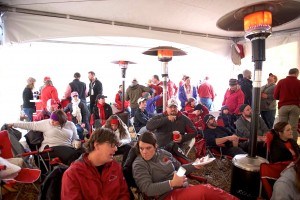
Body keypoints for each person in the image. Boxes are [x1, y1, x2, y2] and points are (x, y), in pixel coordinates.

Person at [132, 131, 238, 200]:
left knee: (210, 194)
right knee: (206, 191)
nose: (144, 152)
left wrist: (194, 165)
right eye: (141, 148)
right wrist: (172, 183)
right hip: (164, 196)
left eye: (148, 148)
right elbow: (147, 189)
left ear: (155, 146)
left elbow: (180, 169)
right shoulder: (139, 164)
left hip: (180, 187)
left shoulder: (163, 154)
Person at [61, 128, 130, 200]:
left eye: (116, 145)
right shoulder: (73, 174)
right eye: (112, 145)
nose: (116, 149)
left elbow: (124, 194)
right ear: (97, 145)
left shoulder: (115, 167)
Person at [7, 110, 83, 165]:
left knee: (82, 152)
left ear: (62, 121)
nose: (52, 121)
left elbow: (75, 138)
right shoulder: (47, 123)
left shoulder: (70, 124)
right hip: (49, 148)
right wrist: (14, 124)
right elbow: (31, 125)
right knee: (71, 155)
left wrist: (76, 144)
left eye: (55, 120)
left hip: (67, 147)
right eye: (51, 119)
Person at [274, 68, 300, 140]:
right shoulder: (299, 82)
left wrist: (283, 97)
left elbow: (275, 95)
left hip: (283, 106)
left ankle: (282, 144)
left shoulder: (281, 82)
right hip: (295, 106)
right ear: (296, 74)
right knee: (293, 127)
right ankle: (293, 145)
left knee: (282, 127)